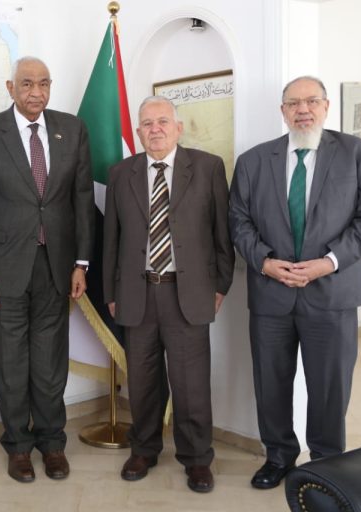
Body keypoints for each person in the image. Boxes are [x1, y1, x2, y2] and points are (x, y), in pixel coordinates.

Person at [229, 76, 361, 489]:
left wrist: (328, 262)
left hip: (333, 294)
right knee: (271, 383)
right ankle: (278, 457)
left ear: (326, 106)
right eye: (294, 103)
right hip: (271, 294)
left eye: (312, 101)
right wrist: (264, 262)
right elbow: (238, 221)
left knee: (330, 387)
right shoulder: (253, 161)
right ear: (282, 111)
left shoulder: (357, 153)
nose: (303, 109)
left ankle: (327, 465)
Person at [0, 56, 95, 483]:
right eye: (26, 84)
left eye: (43, 83)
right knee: (10, 362)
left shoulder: (72, 129)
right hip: (3, 271)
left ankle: (52, 443)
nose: (36, 92)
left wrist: (81, 262)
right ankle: (18, 446)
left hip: (57, 266)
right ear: (10, 87)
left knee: (51, 362)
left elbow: (82, 199)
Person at [103, 96, 234, 493]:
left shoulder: (208, 168)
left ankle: (196, 459)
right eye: (147, 123)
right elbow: (111, 240)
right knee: (142, 382)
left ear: (178, 128)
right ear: (138, 131)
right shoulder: (120, 173)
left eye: (162, 121)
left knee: (190, 385)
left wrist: (220, 285)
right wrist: (110, 292)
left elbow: (222, 234)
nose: (155, 129)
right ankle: (143, 450)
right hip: (137, 293)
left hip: (187, 294)